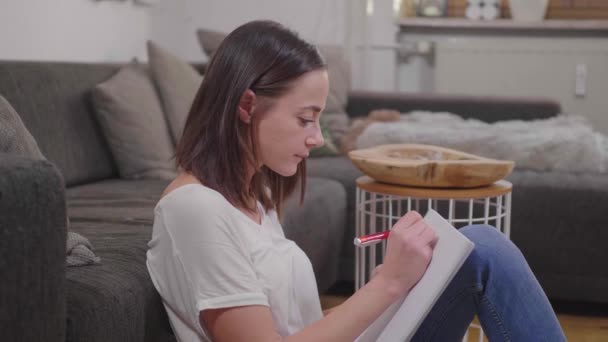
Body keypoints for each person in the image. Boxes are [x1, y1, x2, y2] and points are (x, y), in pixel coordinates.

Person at [146, 20, 566, 342]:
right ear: (247, 105)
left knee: (475, 247)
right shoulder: (194, 209)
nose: (318, 137)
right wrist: (388, 283)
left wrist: (403, 283)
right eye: (305, 118)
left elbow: (301, 328)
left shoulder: (256, 196)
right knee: (485, 248)